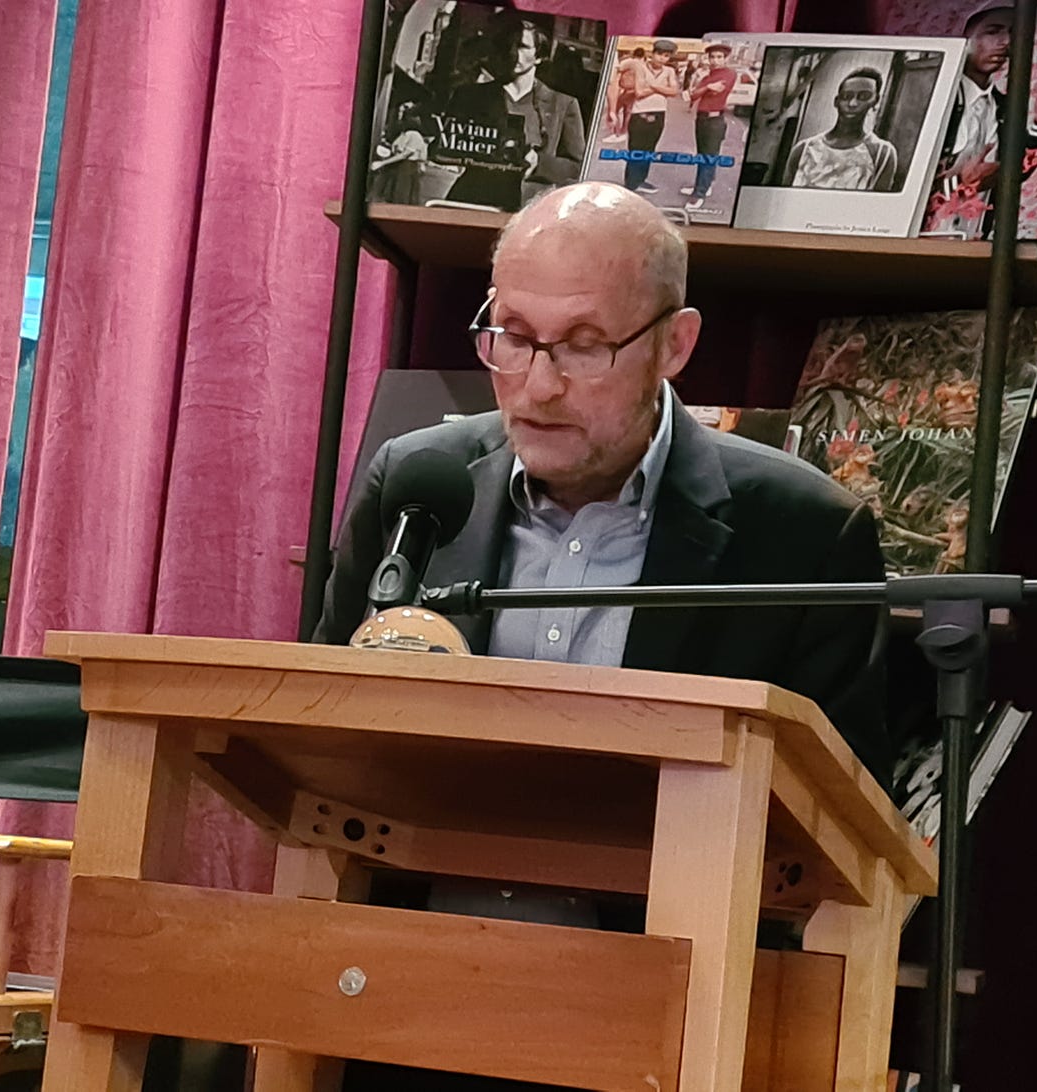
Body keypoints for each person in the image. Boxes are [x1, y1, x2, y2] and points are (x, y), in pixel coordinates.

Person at [316, 181, 891, 784]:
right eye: (513, 335)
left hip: (672, 876)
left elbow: (840, 818)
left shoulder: (808, 533)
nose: (539, 386)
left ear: (675, 344)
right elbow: (318, 730)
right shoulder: (412, 485)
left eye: (584, 346)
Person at [928, 2, 1037, 234]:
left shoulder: (1003, 105)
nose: (1006, 42)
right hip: (917, 242)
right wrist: (960, 183)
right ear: (965, 35)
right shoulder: (933, 96)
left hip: (974, 240)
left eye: (1013, 32)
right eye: (992, 31)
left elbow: (1014, 171)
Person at [442, 13, 586, 209]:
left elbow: (577, 168)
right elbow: (443, 145)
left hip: (531, 209)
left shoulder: (563, 104)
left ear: (539, 56)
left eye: (522, 46)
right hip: (474, 201)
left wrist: (538, 163)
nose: (512, 51)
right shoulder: (470, 96)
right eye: (508, 44)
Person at [782, 67, 900, 191]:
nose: (852, 103)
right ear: (836, 101)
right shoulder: (803, 149)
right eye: (846, 96)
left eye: (864, 96)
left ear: (875, 101)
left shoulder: (882, 153)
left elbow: (879, 205)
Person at [680, 43, 738, 210]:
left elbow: (716, 91)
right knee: (703, 156)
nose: (715, 60)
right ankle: (705, 185)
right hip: (702, 119)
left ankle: (699, 194)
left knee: (708, 157)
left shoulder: (729, 73)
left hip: (714, 120)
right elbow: (693, 96)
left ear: (726, 58)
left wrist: (703, 90)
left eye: (719, 57)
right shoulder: (707, 77)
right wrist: (705, 87)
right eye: (712, 57)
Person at [621, 41, 680, 194]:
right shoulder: (641, 68)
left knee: (649, 150)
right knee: (636, 150)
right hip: (640, 114)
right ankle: (631, 184)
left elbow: (674, 91)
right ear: (652, 54)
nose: (662, 58)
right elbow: (639, 93)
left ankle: (640, 180)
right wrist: (663, 89)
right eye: (659, 54)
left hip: (659, 113)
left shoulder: (669, 71)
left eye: (666, 56)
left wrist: (653, 86)